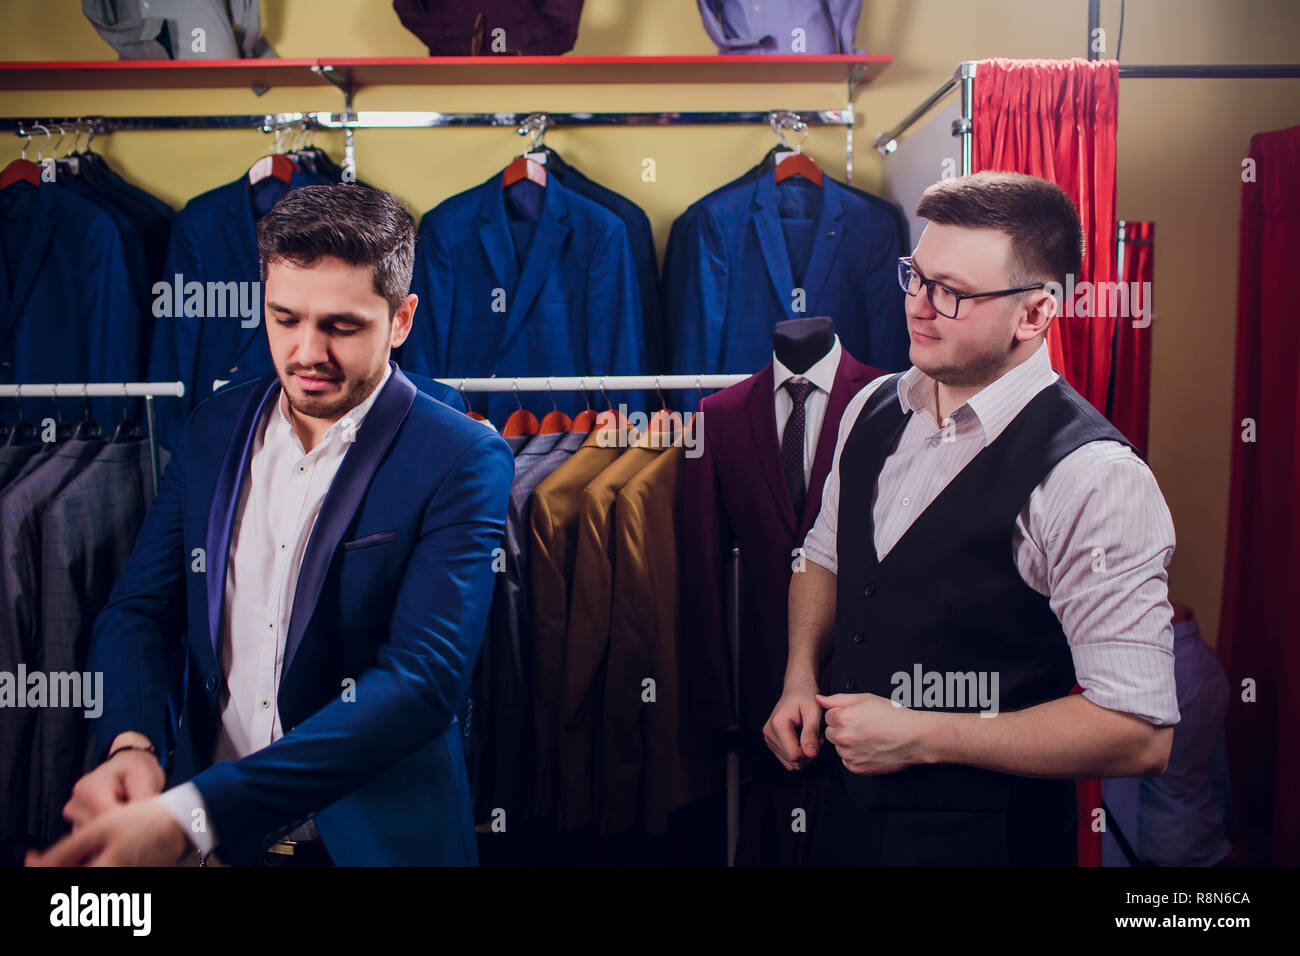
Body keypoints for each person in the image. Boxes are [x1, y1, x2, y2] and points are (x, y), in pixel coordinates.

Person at [26, 184, 513, 867]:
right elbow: (139, 610)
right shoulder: (214, 426)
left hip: (373, 845)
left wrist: (191, 814)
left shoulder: (462, 456)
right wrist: (132, 742)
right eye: (285, 318)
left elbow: (422, 682)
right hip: (218, 849)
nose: (307, 351)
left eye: (341, 326)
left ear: (401, 320)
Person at [764, 171, 1181, 866]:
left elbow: (1138, 733)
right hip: (848, 827)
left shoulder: (1095, 480)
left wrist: (924, 733)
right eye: (915, 277)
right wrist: (800, 676)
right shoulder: (872, 406)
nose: (918, 308)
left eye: (950, 292)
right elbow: (823, 554)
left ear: (1035, 316)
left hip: (992, 845)